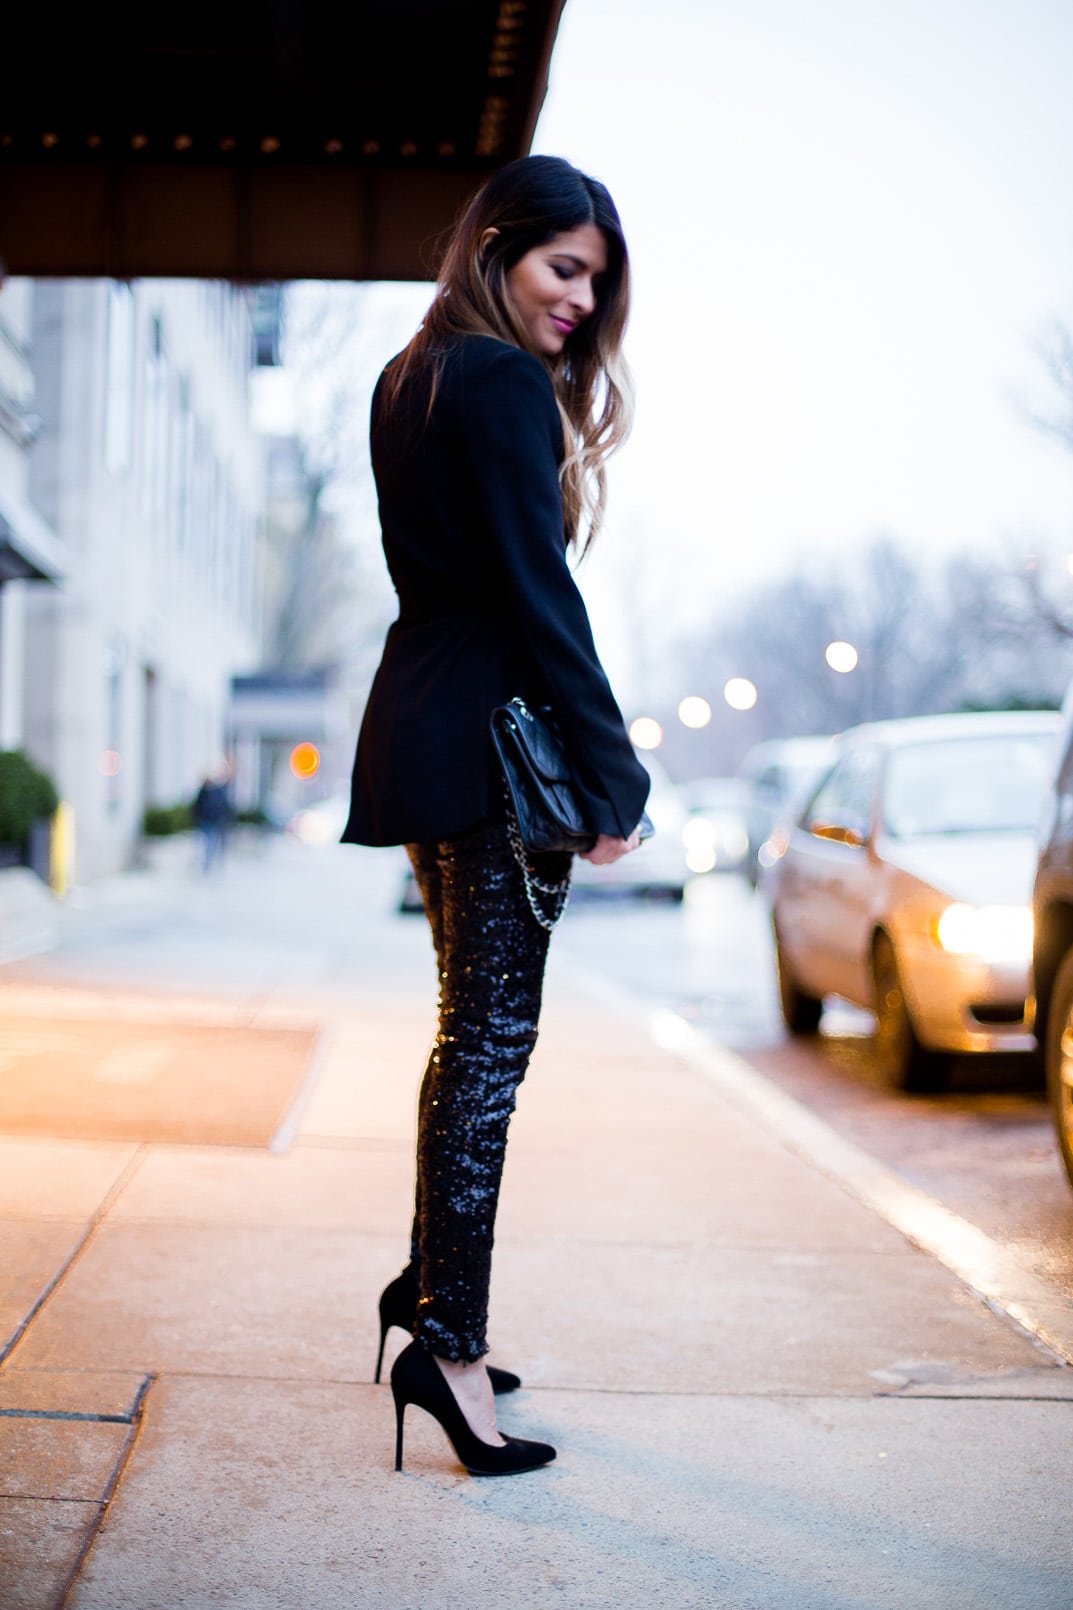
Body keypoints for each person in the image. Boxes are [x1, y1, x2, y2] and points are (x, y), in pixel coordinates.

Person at [342, 154, 651, 1477]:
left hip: (421, 724)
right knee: (485, 1053)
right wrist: (614, 768)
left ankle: (430, 1294)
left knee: (464, 1033)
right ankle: (449, 1350)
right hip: (499, 749)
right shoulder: (502, 380)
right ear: (498, 250)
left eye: (596, 278)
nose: (581, 299)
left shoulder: (407, 375)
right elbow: (539, 591)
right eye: (562, 268)